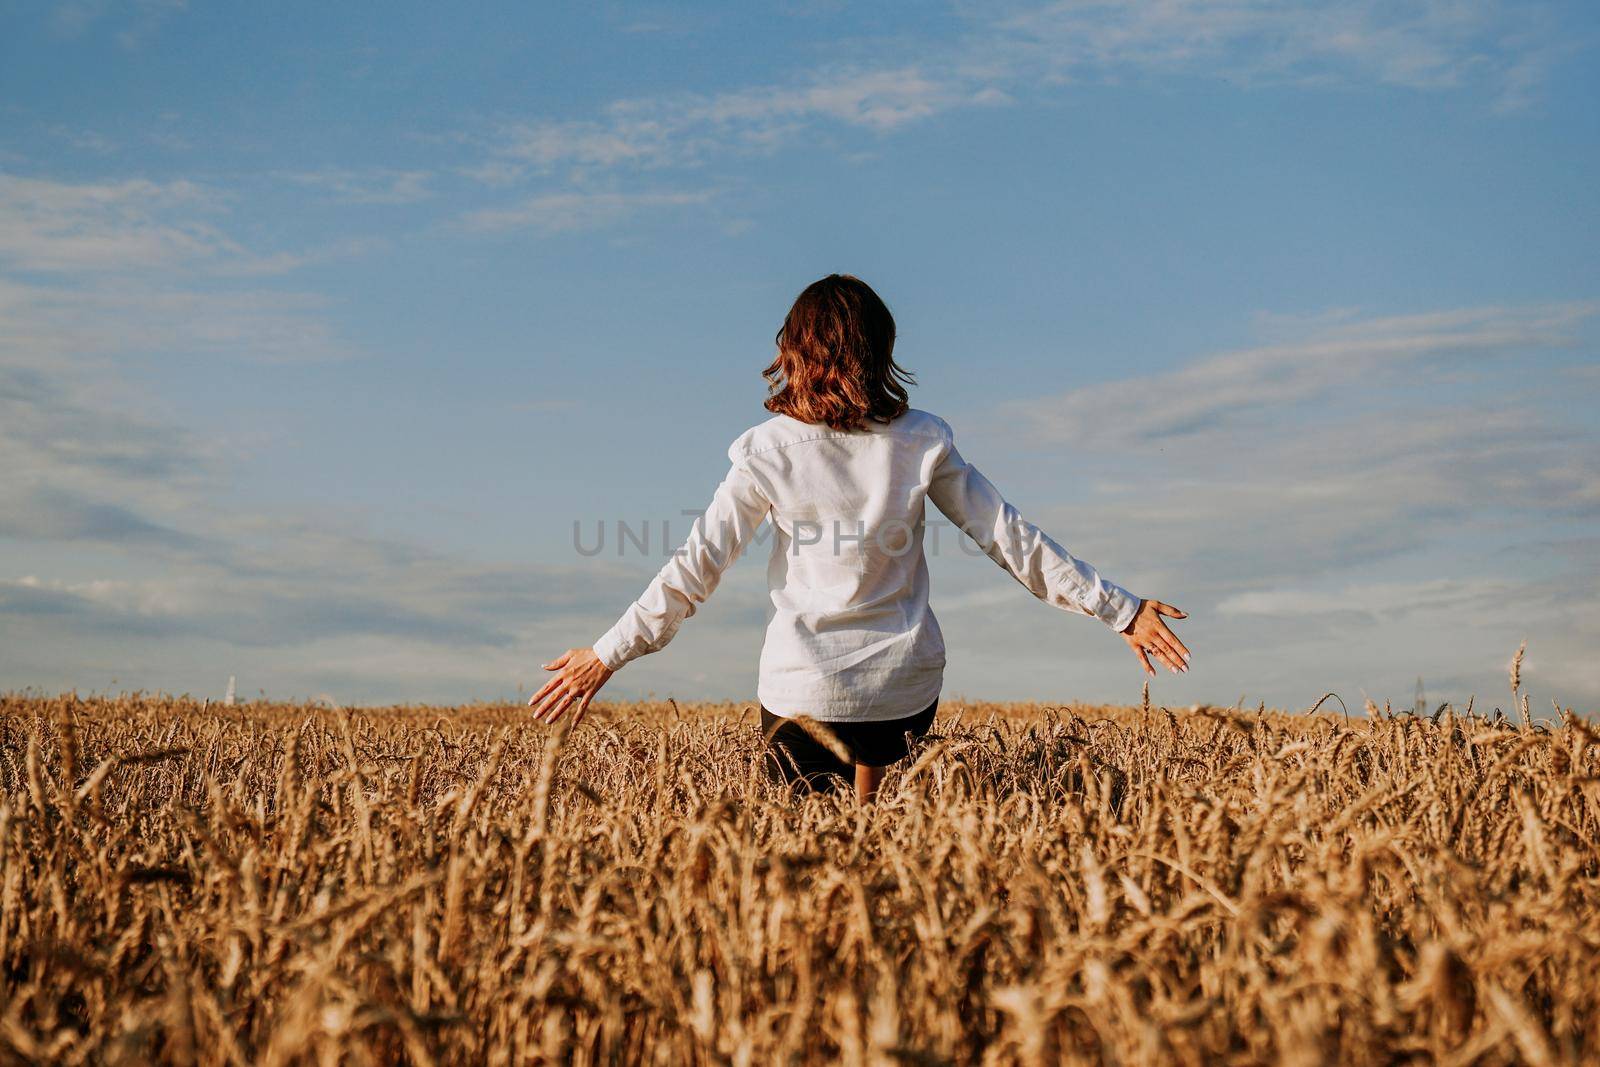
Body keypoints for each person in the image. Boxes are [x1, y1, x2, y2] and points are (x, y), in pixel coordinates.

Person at [529, 274, 1190, 802]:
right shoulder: (921, 439)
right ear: (881, 353)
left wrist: (607, 653)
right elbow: (1010, 537)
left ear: (793, 352)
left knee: (807, 859)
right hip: (902, 692)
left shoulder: (768, 451)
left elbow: (695, 567)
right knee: (872, 827)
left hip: (804, 695)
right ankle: (870, 817)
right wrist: (1121, 610)